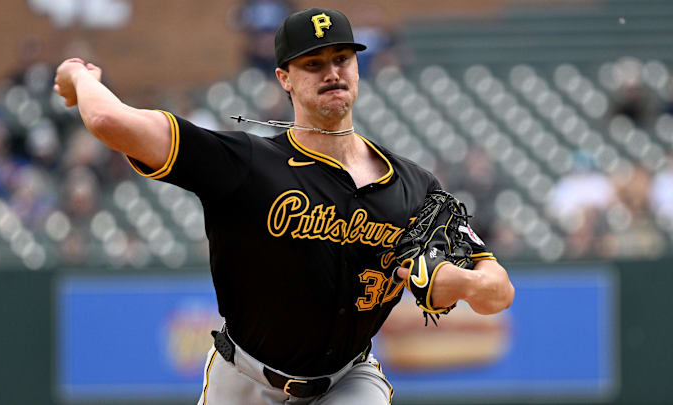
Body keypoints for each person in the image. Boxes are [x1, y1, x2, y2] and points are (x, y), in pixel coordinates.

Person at [53, 7, 514, 404]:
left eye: (341, 58)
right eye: (313, 63)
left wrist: (460, 282)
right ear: (285, 78)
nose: (331, 72)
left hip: (348, 381)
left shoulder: (414, 188)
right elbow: (110, 120)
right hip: (245, 380)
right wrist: (79, 77)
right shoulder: (247, 165)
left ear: (356, 67)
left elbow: (499, 290)